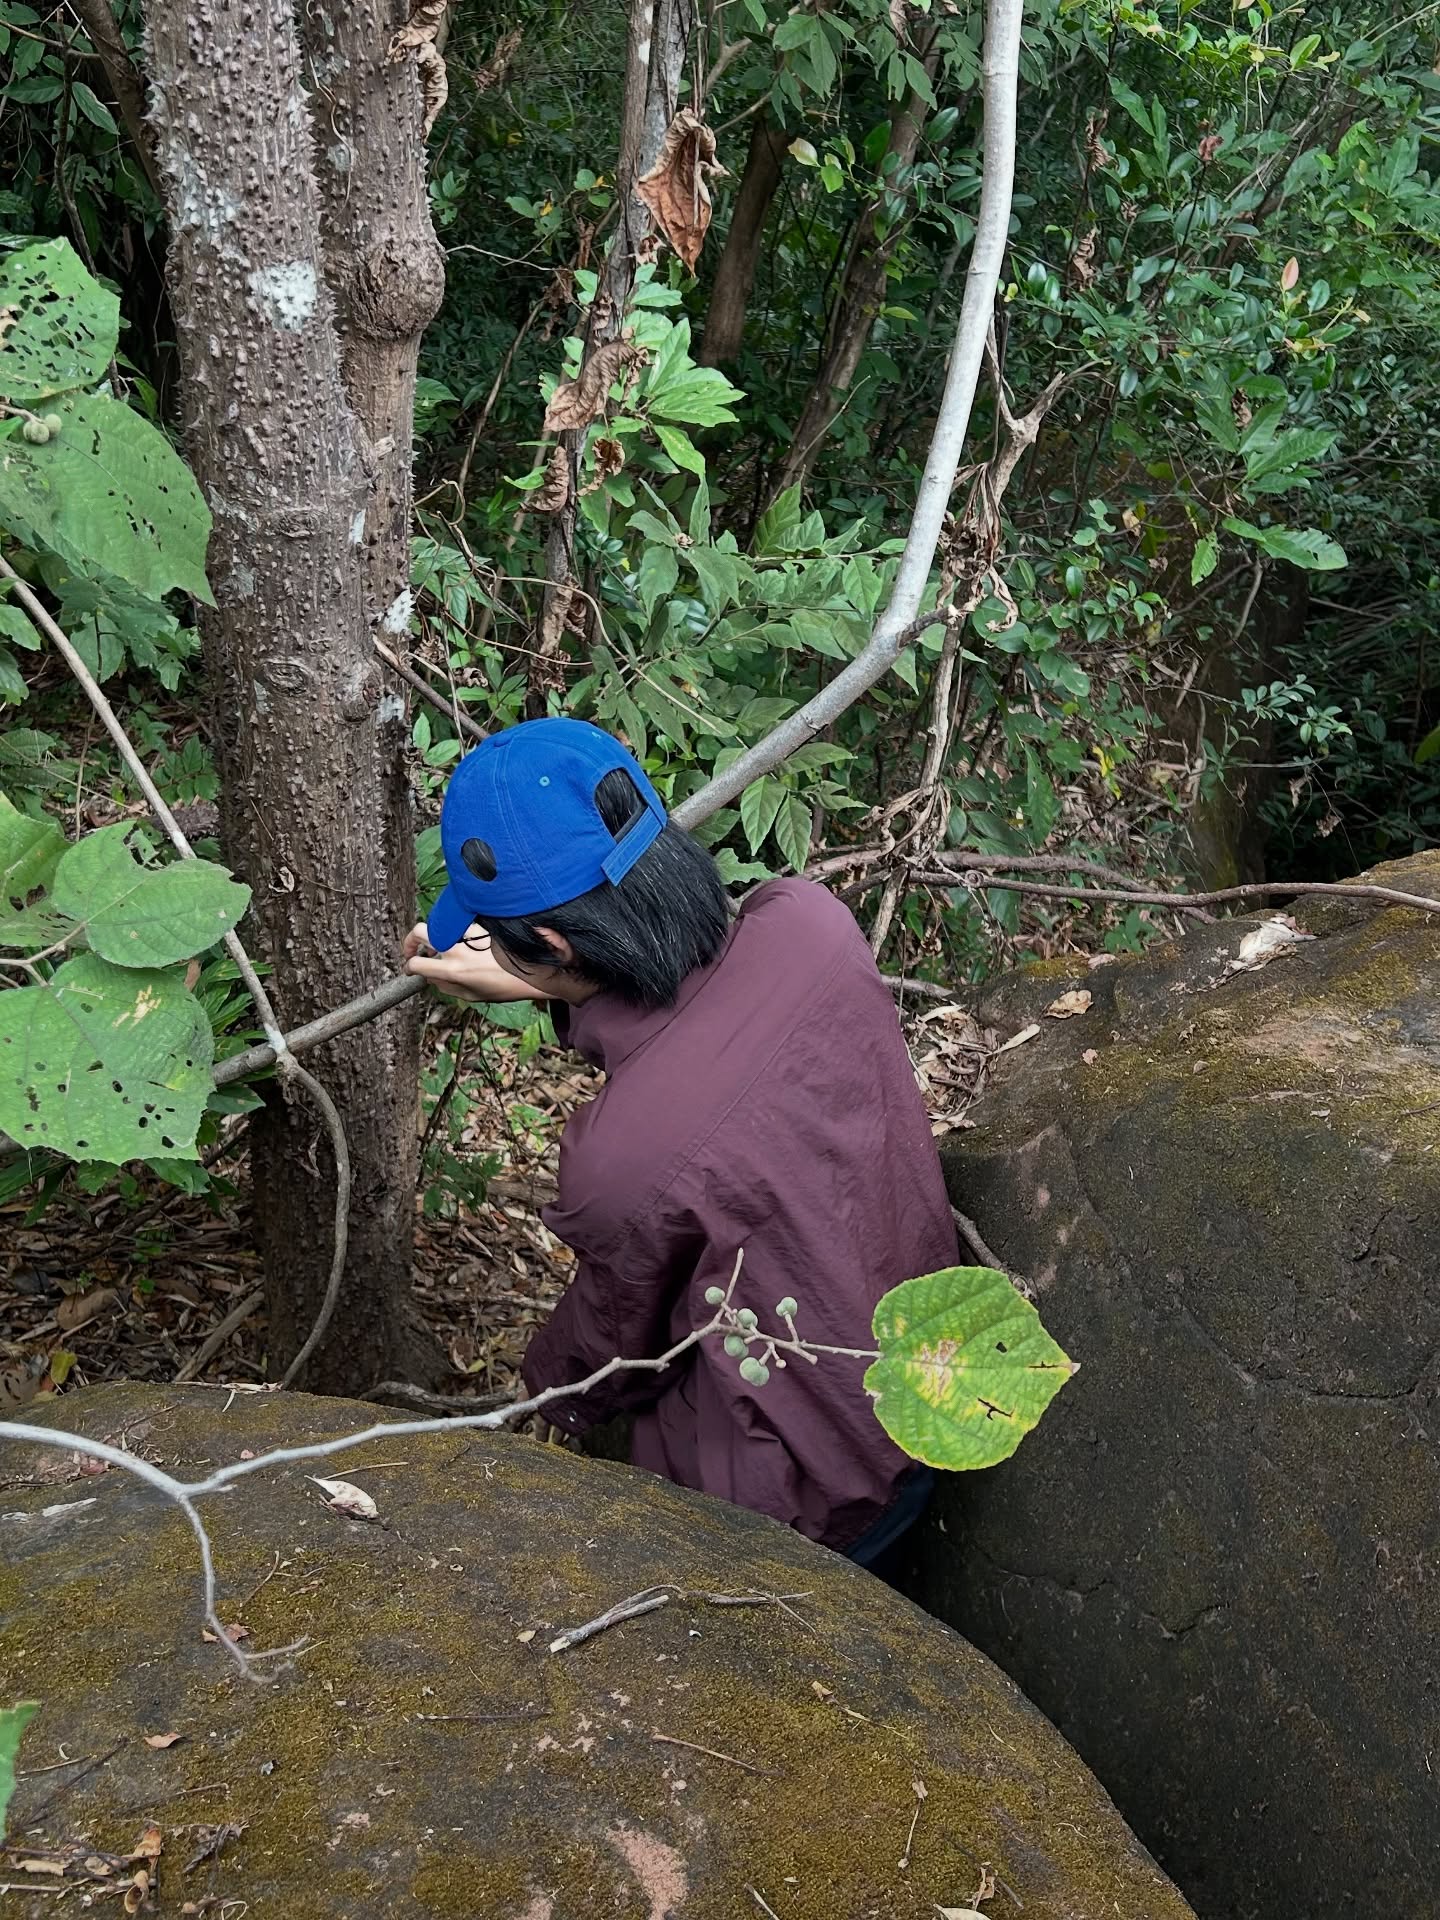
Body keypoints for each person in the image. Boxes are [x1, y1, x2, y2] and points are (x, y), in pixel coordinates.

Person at [404, 717, 958, 1567]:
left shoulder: (619, 1161)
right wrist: (552, 990)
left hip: (809, 1507)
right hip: (930, 1392)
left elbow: (614, 1356)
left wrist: (541, 1399)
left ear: (549, 943)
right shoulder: (809, 920)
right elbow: (702, 1043)